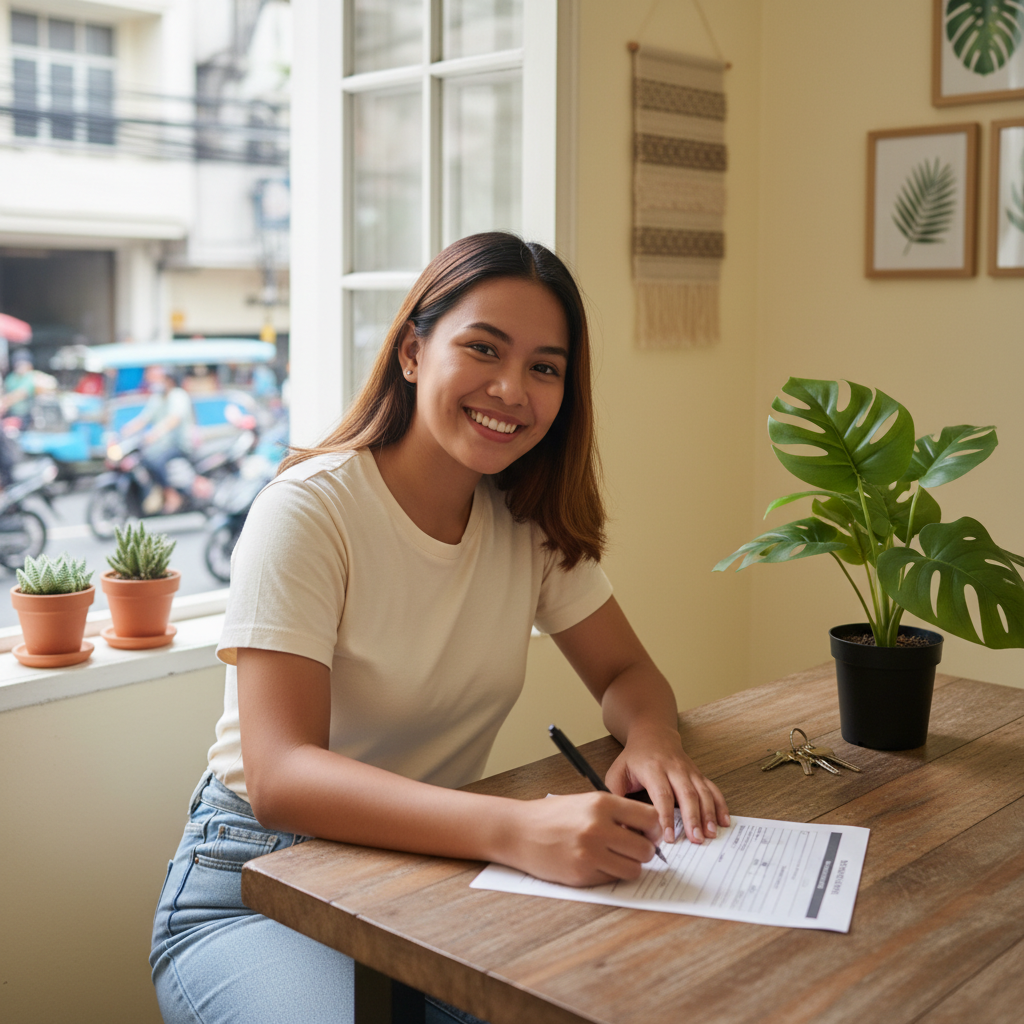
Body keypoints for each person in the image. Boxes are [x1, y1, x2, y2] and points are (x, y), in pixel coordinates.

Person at [150, 233, 730, 1024]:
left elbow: (629, 675)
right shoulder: (310, 510)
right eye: (483, 349)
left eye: (544, 367)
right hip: (260, 880)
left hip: (426, 868)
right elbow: (282, 775)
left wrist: (653, 739)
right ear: (414, 353)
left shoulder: (526, 522)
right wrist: (518, 828)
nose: (511, 389)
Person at [121, 365, 196, 514]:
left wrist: (155, 433)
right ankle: (157, 491)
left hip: (180, 444)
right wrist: (125, 432)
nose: (159, 383)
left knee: (156, 460)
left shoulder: (178, 396)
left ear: (170, 381)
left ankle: (171, 495)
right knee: (144, 458)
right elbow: (144, 419)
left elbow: (174, 419)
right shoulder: (157, 398)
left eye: (162, 379)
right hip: (161, 444)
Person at [3, 350, 36, 422]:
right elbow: (5, 392)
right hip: (11, 413)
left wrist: (4, 403)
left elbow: (21, 393)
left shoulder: (30, 377)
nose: (21, 366)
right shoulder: (11, 378)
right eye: (19, 364)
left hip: (26, 415)